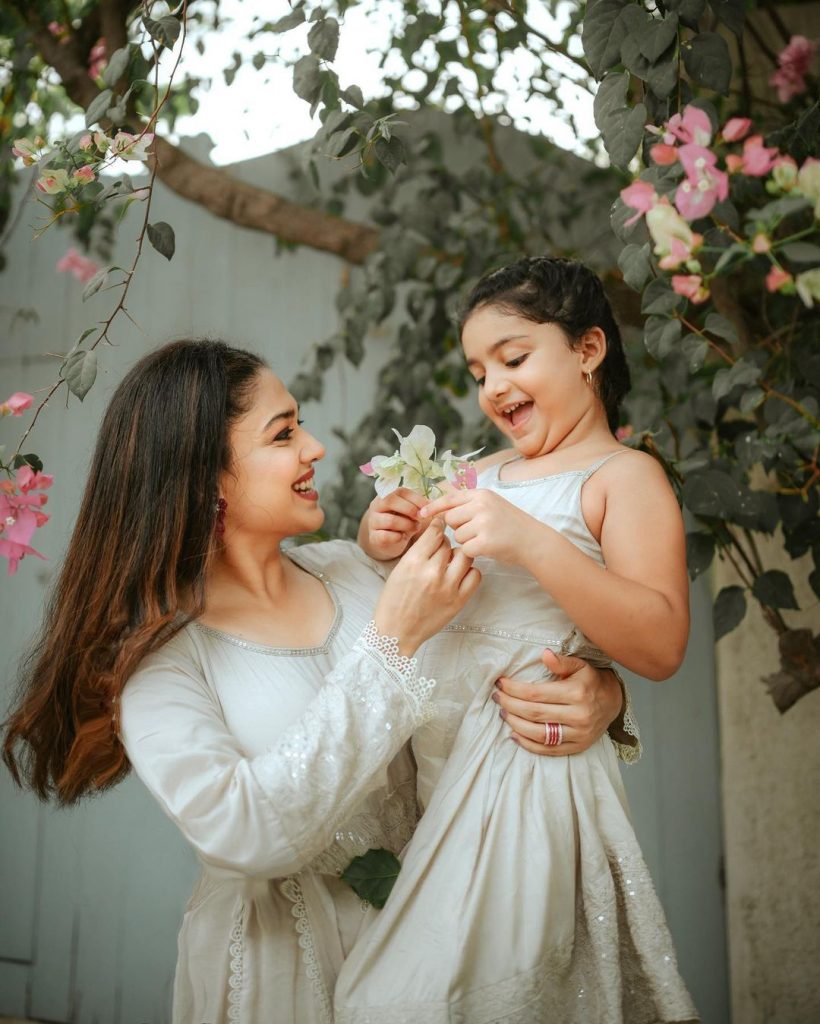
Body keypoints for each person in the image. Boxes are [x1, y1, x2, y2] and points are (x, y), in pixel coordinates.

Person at [2, 338, 626, 1024]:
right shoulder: (160, 660)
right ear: (205, 475)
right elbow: (242, 837)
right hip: (283, 980)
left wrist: (601, 694)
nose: (317, 447)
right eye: (284, 433)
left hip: (440, 954)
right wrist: (390, 644)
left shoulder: (359, 571)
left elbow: (494, 669)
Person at [335, 258, 698, 1023]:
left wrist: (531, 541)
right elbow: (430, 588)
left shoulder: (622, 477)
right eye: (477, 371)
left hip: (525, 766)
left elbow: (662, 642)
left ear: (588, 349)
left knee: (414, 1001)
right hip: (434, 770)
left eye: (513, 357)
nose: (492, 388)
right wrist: (386, 536)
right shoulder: (479, 472)